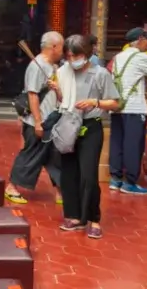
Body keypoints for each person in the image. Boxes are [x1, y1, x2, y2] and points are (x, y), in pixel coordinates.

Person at [55, 35, 120, 239]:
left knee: (89, 176)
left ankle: (94, 219)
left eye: (75, 55)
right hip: (68, 124)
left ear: (86, 54)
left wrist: (95, 102)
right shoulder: (64, 72)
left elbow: (115, 103)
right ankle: (74, 216)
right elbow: (64, 101)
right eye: (68, 56)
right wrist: (57, 91)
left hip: (91, 127)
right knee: (68, 173)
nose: (71, 59)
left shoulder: (100, 73)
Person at [5, 31, 63, 205]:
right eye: (61, 46)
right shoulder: (37, 65)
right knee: (32, 153)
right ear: (54, 47)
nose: (63, 50)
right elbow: (32, 95)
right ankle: (12, 187)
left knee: (55, 155)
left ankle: (62, 190)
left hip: (51, 118)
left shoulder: (52, 66)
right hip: (38, 120)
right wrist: (38, 122)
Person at [109, 28, 147, 195]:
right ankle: (130, 183)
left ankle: (116, 179)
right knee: (133, 144)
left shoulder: (118, 57)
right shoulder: (140, 57)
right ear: (140, 39)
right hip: (134, 108)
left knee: (117, 143)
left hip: (117, 106)